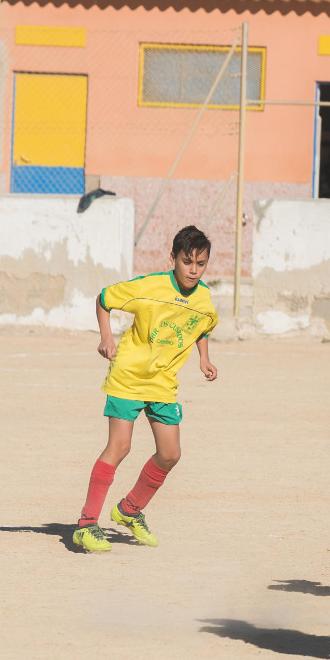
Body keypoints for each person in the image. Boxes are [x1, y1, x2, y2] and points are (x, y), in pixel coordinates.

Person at [71, 225, 219, 554]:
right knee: (119, 447)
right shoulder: (150, 287)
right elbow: (104, 299)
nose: (193, 270)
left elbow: (203, 324)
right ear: (174, 259)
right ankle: (86, 524)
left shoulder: (205, 297)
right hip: (129, 376)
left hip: (163, 383)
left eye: (201, 264)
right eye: (187, 262)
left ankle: (129, 510)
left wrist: (204, 358)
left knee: (170, 454)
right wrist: (106, 337)